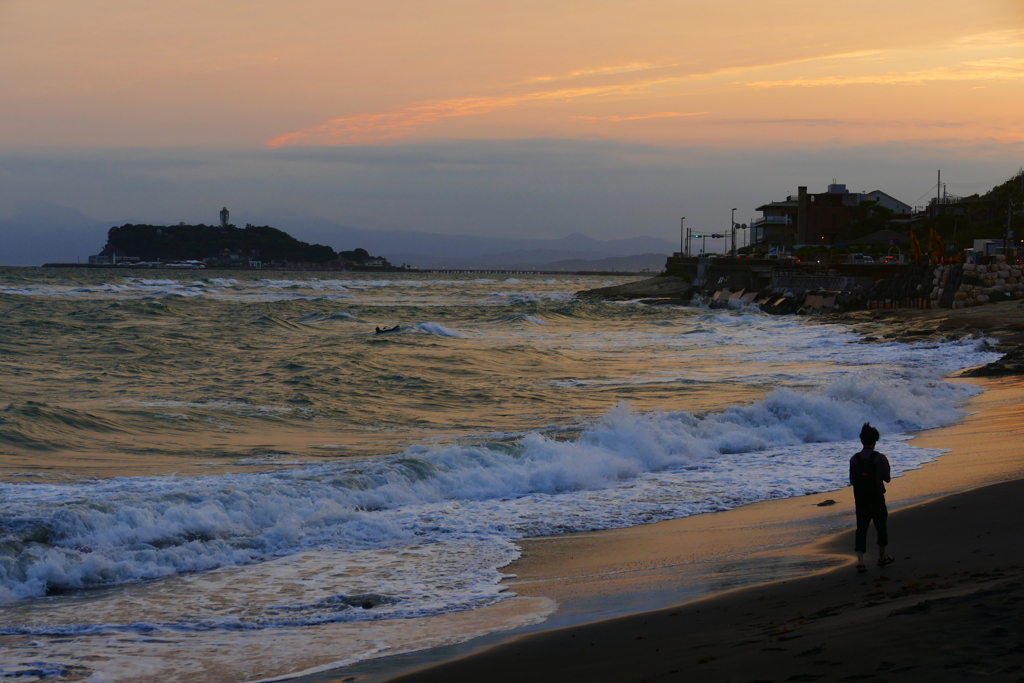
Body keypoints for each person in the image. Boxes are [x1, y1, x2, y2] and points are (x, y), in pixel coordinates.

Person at [850, 423, 894, 573]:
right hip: (877, 497)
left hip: (861, 500)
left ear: (861, 440)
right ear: (875, 440)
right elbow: (887, 478)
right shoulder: (880, 458)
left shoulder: (854, 459)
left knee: (861, 530)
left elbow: (852, 481)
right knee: (881, 527)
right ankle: (881, 558)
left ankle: (861, 562)